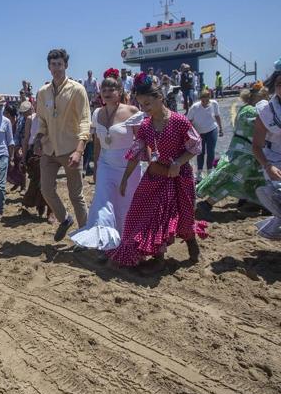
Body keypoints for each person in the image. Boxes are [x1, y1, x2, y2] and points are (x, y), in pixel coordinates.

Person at [107, 73, 207, 272]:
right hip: (156, 176)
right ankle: (159, 258)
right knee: (145, 212)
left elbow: (195, 146)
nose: (144, 109)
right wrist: (125, 178)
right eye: (141, 105)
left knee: (185, 216)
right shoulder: (145, 125)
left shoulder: (180, 121)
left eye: (147, 104)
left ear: (160, 97)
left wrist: (178, 162)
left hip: (179, 177)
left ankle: (192, 247)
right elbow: (136, 153)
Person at [70, 69, 144, 255]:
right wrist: (94, 167)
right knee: (102, 202)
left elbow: (141, 141)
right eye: (104, 88)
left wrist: (147, 161)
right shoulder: (96, 114)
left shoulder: (132, 111)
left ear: (120, 91)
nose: (107, 91)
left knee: (125, 204)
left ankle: (124, 240)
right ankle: (105, 243)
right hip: (105, 164)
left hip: (128, 166)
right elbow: (96, 145)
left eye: (112, 88)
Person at [36, 48, 91, 241]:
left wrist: (79, 150)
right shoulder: (42, 92)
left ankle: (85, 235)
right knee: (46, 189)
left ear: (66, 65)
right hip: (49, 149)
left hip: (71, 149)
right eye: (53, 64)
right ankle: (64, 219)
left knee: (76, 195)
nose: (56, 68)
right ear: (48, 67)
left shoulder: (77, 89)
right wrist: (38, 137)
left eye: (60, 64)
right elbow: (41, 118)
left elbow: (85, 121)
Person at [196, 82, 268, 220]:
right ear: (257, 97)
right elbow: (264, 126)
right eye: (264, 97)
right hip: (244, 153)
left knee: (256, 179)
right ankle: (207, 204)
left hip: (246, 151)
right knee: (233, 180)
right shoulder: (251, 111)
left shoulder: (246, 109)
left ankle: (254, 202)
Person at [251, 62, 281, 239]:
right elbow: (256, 145)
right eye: (279, 84)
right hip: (274, 160)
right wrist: (268, 166)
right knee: (276, 192)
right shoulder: (266, 112)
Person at [21, 100, 52, 221]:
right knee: (37, 181)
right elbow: (26, 138)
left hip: (47, 151)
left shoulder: (51, 117)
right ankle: (40, 204)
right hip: (32, 152)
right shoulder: (30, 119)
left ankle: (50, 210)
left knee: (48, 182)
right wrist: (23, 158)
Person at [187, 89, 224, 181]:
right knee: (201, 151)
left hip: (212, 129)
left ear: (209, 98)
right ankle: (199, 172)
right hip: (199, 132)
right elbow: (189, 121)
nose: (205, 102)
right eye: (203, 100)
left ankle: (210, 171)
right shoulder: (195, 107)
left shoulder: (214, 104)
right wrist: (192, 133)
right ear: (200, 99)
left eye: (207, 100)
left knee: (211, 150)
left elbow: (217, 116)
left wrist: (221, 128)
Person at [5, 104, 26, 192]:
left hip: (18, 148)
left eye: (5, 113)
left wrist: (21, 147)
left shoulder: (19, 122)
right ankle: (17, 183)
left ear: (9, 114)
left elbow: (23, 135)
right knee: (11, 168)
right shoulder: (6, 123)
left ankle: (23, 186)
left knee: (20, 167)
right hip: (10, 148)